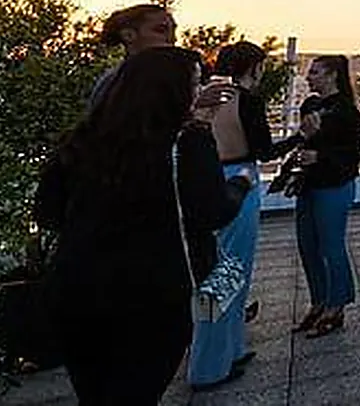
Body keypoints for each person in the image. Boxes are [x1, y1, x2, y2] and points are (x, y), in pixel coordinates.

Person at [34, 47, 252, 406]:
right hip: (151, 297)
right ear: (172, 92)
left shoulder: (83, 138)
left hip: (75, 290)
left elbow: (48, 213)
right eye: (195, 84)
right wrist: (240, 183)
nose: (199, 94)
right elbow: (212, 211)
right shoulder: (185, 144)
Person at [187, 40, 295, 390]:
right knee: (230, 272)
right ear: (254, 67)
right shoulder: (246, 100)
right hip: (238, 181)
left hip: (203, 179)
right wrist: (299, 138)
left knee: (214, 268)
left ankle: (230, 349)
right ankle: (208, 365)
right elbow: (263, 151)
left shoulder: (205, 93)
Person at [290, 55, 360, 339]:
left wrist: (320, 156)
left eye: (315, 71)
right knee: (308, 246)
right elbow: (303, 138)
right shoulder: (310, 105)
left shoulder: (347, 112)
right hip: (309, 185)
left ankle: (336, 305)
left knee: (331, 247)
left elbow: (357, 151)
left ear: (333, 75)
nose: (309, 76)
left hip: (334, 186)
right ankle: (319, 300)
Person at [86, 2, 176, 108]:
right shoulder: (114, 83)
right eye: (161, 30)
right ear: (128, 35)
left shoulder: (180, 78)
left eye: (173, 30)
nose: (172, 39)